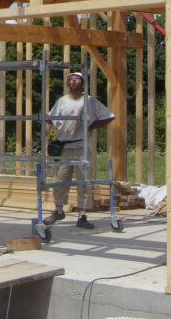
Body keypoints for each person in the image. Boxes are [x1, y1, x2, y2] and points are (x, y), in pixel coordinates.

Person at [44, 71, 115, 229]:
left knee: (84, 182)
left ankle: (82, 216)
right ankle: (58, 210)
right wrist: (47, 128)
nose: (73, 81)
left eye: (76, 79)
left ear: (82, 83)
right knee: (60, 180)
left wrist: (91, 126)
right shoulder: (62, 101)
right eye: (71, 79)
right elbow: (49, 117)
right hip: (64, 146)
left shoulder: (89, 101)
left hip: (81, 146)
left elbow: (109, 116)